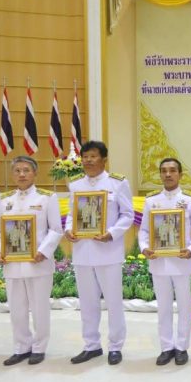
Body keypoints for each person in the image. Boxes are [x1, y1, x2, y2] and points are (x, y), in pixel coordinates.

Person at [64, 141, 134, 365]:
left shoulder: (117, 183)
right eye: (85, 156)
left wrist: (112, 233)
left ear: (104, 159)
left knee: (113, 302)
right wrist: (69, 229)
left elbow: (127, 214)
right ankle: (91, 345)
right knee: (87, 303)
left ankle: (115, 346)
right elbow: (71, 214)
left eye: (93, 156)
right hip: (82, 252)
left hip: (108, 251)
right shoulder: (76, 185)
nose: (88, 160)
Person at [0, 156, 63, 366]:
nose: (22, 174)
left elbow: (56, 229)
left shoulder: (47, 198)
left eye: (26, 170)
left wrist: (43, 251)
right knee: (17, 309)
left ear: (35, 173)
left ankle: (39, 347)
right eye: (17, 171)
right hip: (12, 264)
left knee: (39, 308)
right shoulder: (4, 200)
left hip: (38, 263)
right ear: (12, 174)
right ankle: (21, 347)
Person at [139, 158, 191, 366]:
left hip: (181, 262)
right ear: (160, 174)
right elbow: (144, 230)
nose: (168, 174)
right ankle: (166, 347)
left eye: (173, 170)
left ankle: (182, 347)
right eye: (164, 171)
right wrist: (144, 247)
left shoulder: (190, 200)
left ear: (180, 174)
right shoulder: (151, 201)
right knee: (163, 308)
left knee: (184, 306)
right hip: (158, 262)